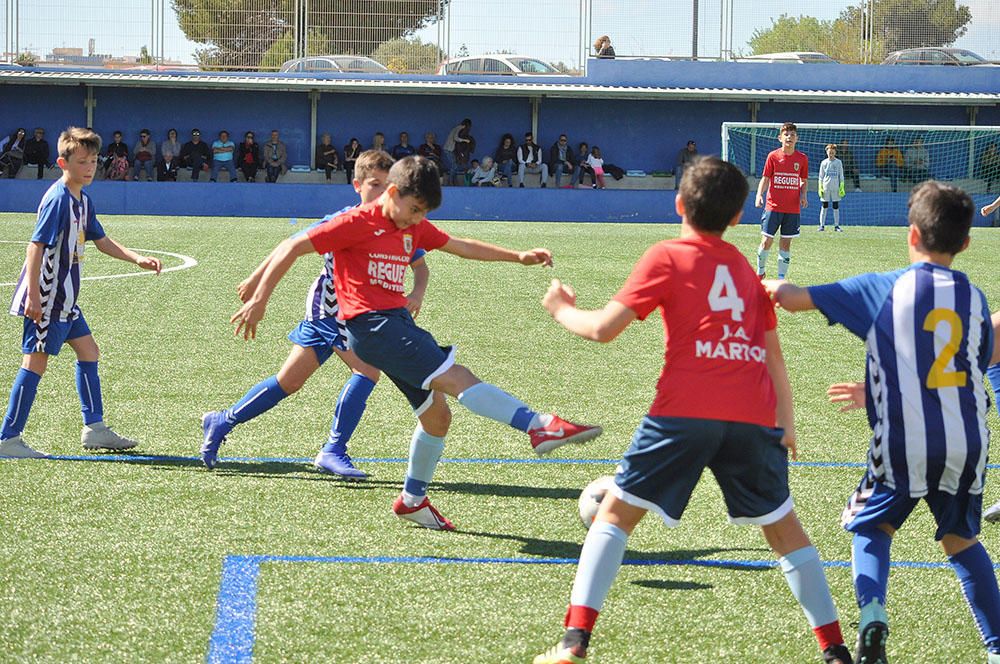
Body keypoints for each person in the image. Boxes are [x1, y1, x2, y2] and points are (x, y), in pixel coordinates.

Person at [533, 157, 851, 664]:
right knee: (785, 530)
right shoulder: (747, 270)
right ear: (741, 216)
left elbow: (602, 329)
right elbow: (772, 353)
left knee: (613, 515)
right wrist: (786, 423)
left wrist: (560, 307)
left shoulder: (667, 255)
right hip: (752, 414)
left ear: (678, 204)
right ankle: (835, 650)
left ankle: (573, 643)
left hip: (684, 411)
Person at [228, 156, 602, 529]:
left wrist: (518, 257)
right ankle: (537, 425)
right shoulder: (355, 223)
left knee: (437, 417)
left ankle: (412, 500)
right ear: (392, 192)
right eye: (413, 209)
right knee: (457, 376)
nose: (415, 219)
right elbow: (291, 247)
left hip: (395, 324)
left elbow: (462, 245)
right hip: (373, 327)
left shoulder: (414, 228)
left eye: (423, 212)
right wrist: (260, 301)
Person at [766, 180, 1000, 664]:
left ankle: (872, 615)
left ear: (911, 234)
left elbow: (792, 297)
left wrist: (769, 288)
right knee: (961, 541)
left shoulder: (883, 287)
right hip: (968, 441)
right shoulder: (976, 300)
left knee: (871, 529)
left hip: (905, 443)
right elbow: (964, 375)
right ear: (967, 242)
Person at [201, 150, 428, 479]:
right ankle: (334, 450)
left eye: (386, 185)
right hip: (331, 310)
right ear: (357, 185)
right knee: (367, 371)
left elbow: (421, 267)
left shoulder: (399, 224)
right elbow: (289, 245)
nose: (381, 193)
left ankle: (223, 420)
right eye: (374, 184)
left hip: (360, 313)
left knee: (288, 382)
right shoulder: (344, 220)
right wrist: (256, 283)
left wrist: (417, 292)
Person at [0, 127, 162, 459]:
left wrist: (136, 258)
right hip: (47, 299)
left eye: (94, 160)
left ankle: (95, 429)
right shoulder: (59, 199)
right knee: (35, 364)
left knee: (89, 352)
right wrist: (33, 296)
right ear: (63, 162)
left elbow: (100, 240)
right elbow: (36, 247)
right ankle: (8, 438)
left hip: (67, 301)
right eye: (83, 161)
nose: (90, 167)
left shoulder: (83, 200)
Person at [755, 122, 807, 280]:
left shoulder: (802, 159)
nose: (789, 137)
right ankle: (760, 272)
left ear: (797, 138)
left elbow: (803, 180)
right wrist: (759, 195)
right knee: (766, 242)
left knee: (785, 244)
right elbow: (765, 178)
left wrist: (803, 195)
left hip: (792, 210)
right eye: (786, 134)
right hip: (773, 207)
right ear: (780, 138)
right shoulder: (773, 156)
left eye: (792, 135)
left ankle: (781, 279)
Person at [818, 143, 845, 232]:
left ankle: (836, 226)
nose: (831, 154)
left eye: (832, 152)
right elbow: (821, 176)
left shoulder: (838, 162)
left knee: (835, 206)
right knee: (824, 206)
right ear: (827, 152)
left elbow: (841, 175)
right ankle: (821, 226)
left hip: (835, 187)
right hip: (826, 187)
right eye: (829, 152)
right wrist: (820, 187)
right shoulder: (824, 162)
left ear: (835, 153)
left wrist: (841, 186)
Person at [443, 118, 472, 185]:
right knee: (454, 166)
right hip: (448, 149)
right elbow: (455, 138)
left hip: (449, 149)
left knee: (454, 165)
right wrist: (465, 140)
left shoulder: (457, 128)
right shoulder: (459, 128)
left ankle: (453, 181)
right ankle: (451, 181)